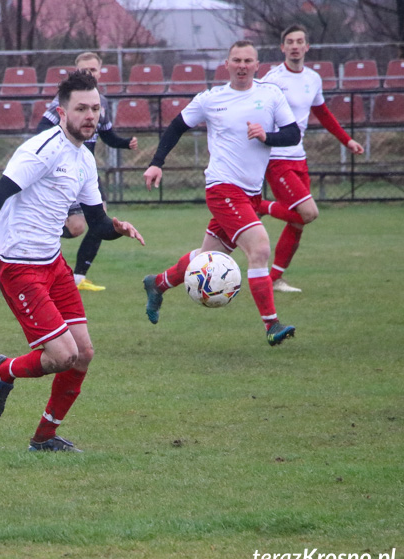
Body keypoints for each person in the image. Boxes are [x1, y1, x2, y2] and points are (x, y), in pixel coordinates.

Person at [0, 71, 145, 452]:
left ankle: (44, 437)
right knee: (63, 355)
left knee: (83, 354)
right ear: (61, 111)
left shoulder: (85, 159)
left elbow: (97, 223)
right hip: (18, 266)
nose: (90, 116)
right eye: (81, 108)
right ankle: (4, 369)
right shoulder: (42, 149)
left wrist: (117, 228)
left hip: (52, 263)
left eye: (95, 108)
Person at [141, 40, 301, 346]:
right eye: (236, 60)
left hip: (251, 193)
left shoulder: (270, 94)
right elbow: (176, 126)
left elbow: (293, 134)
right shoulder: (211, 99)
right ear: (226, 65)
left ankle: (157, 284)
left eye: (248, 60)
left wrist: (268, 136)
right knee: (260, 248)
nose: (242, 65)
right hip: (223, 188)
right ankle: (271, 324)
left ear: (257, 66)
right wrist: (156, 163)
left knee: (207, 257)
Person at [258, 24, 365, 293]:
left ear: (307, 47)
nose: (295, 46)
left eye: (300, 41)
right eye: (290, 42)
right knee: (308, 213)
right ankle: (259, 205)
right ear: (282, 48)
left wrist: (347, 140)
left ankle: (274, 279)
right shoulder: (273, 79)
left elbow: (323, 113)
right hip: (278, 158)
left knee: (297, 221)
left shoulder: (313, 79)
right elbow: (259, 114)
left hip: (299, 157)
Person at [36, 52, 139, 292]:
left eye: (93, 70)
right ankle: (39, 229)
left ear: (100, 72)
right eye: (85, 70)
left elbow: (107, 135)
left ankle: (79, 276)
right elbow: (41, 131)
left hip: (87, 172)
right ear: (75, 72)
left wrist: (125, 143)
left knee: (97, 218)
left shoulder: (100, 102)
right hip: (64, 171)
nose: (90, 74)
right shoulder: (64, 102)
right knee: (76, 228)